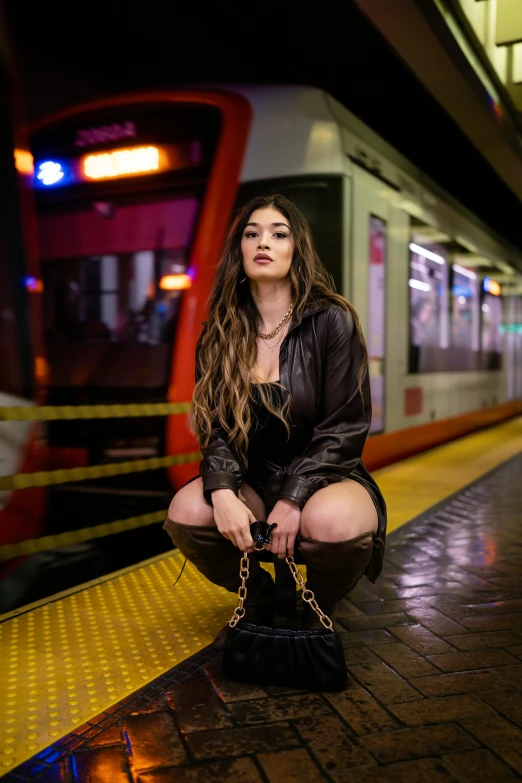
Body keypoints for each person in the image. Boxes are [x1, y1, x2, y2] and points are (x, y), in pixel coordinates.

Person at [164, 194, 386, 634]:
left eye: (278, 234)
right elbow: (215, 428)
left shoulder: (331, 319)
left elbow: (344, 426)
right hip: (254, 480)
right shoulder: (220, 330)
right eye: (252, 234)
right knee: (186, 512)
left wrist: (294, 496)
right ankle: (263, 597)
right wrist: (224, 490)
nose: (263, 242)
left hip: (327, 474)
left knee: (333, 522)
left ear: (295, 248)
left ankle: (318, 606)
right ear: (240, 250)